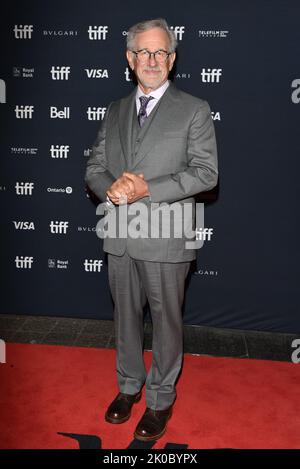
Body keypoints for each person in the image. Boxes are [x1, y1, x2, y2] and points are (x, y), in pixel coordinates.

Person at [85, 18, 218, 442]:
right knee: (124, 318)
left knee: (166, 323)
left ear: (172, 59)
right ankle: (128, 387)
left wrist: (146, 189)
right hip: (121, 234)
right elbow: (94, 168)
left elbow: (206, 174)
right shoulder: (116, 109)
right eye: (144, 52)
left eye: (161, 52)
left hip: (166, 235)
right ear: (130, 58)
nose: (152, 60)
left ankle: (160, 399)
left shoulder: (194, 109)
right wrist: (115, 190)